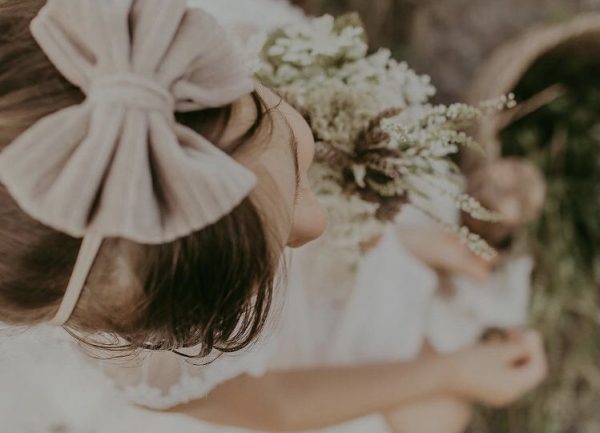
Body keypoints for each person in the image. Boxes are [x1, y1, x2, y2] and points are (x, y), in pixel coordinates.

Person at [0, 1, 547, 432]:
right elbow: (273, 404)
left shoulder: (180, 63)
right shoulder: (135, 355)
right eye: (266, 259)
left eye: (299, 172)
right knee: (439, 416)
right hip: (296, 361)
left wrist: (392, 238)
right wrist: (450, 373)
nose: (317, 227)